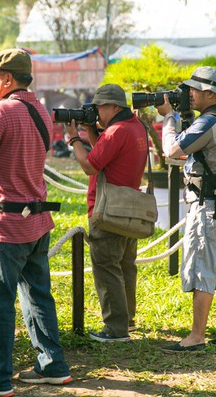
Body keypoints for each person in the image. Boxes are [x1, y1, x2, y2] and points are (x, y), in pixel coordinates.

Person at [0, 48, 71, 396]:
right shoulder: (40, 110)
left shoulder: (0, 110)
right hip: (37, 222)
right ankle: (53, 366)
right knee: (38, 296)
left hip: (4, 225)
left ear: (7, 80)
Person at [155, 66, 216, 352]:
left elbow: (173, 151)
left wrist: (169, 118)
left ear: (209, 93)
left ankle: (196, 337)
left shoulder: (209, 122)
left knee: (203, 268)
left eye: (193, 89)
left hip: (208, 208)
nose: (188, 94)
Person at [65, 84, 148, 343]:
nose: (96, 112)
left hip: (107, 210)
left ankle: (115, 328)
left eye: (99, 107)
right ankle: (127, 319)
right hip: (129, 209)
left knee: (106, 267)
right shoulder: (135, 127)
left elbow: (90, 165)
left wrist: (74, 138)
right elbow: (106, 154)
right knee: (125, 266)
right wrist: (91, 131)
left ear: (114, 107)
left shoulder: (116, 132)